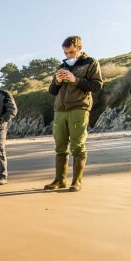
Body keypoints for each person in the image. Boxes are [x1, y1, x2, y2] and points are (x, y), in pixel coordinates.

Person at [45, 35, 103, 192]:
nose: (68, 56)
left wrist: (74, 79)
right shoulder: (61, 66)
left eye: (71, 52)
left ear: (79, 48)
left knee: (77, 146)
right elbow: (52, 91)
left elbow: (97, 86)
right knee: (60, 147)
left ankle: (76, 182)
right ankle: (59, 180)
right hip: (60, 110)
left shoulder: (91, 62)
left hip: (79, 108)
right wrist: (57, 81)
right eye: (65, 53)